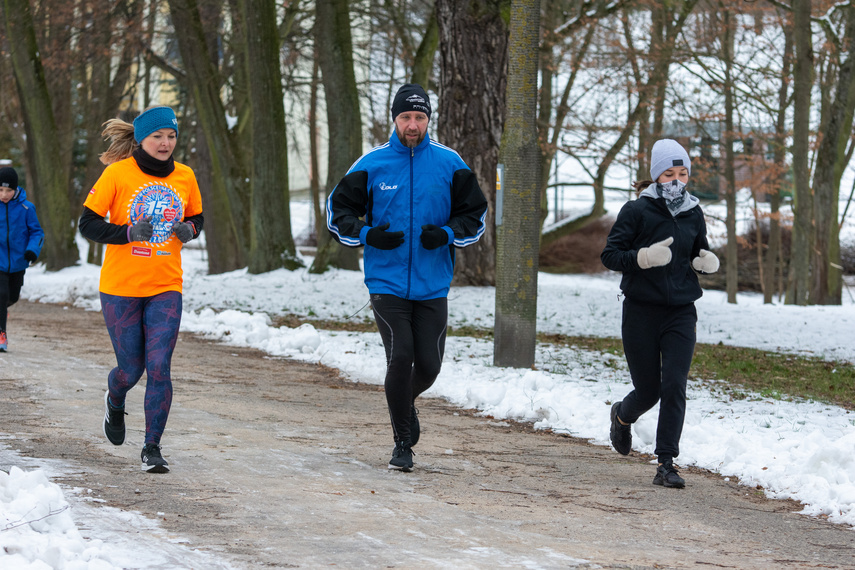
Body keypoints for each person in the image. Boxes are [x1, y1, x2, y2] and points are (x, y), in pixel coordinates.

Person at [327, 84, 488, 472]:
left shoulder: (450, 163)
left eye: (419, 117)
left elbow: (476, 217)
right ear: (394, 119)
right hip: (386, 283)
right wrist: (368, 235)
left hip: (433, 284)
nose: (412, 124)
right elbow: (337, 213)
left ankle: (404, 402)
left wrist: (447, 234)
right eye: (405, 117)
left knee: (429, 367)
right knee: (400, 357)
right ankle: (402, 443)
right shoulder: (372, 164)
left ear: (428, 120)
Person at [78, 106, 204, 474]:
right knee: (130, 370)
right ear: (141, 139)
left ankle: (152, 446)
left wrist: (190, 230)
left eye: (172, 136)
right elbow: (88, 223)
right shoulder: (117, 174)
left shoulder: (185, 175)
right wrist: (128, 233)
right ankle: (115, 399)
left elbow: (196, 216)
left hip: (166, 285)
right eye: (157, 137)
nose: (166, 143)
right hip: (121, 287)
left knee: (159, 366)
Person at [600, 139, 719, 489]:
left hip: (681, 312)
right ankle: (622, 416)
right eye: (669, 173)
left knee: (674, 385)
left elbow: (698, 251)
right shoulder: (637, 211)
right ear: (656, 175)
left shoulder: (694, 212)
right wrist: (642, 258)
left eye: (683, 174)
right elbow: (610, 255)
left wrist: (705, 261)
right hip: (640, 311)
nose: (677, 180)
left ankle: (666, 463)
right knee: (648, 391)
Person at [0, 166, 44, 353]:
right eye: (0, 190)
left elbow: (37, 232)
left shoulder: (27, 208)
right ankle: (2, 334)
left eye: (8, 190)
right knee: (1, 294)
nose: (4, 194)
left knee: (12, 297)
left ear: (16, 189)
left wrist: (32, 251)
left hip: (18, 262)